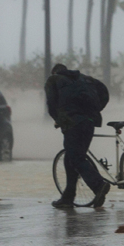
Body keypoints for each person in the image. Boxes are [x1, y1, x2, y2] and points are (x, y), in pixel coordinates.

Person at [45, 63, 110, 209]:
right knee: (72, 157)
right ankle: (68, 197)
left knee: (76, 157)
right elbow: (104, 92)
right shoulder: (85, 79)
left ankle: (99, 185)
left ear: (54, 72)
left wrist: (59, 120)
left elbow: (51, 105)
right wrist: (95, 109)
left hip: (73, 123)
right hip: (90, 121)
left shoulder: (53, 80)